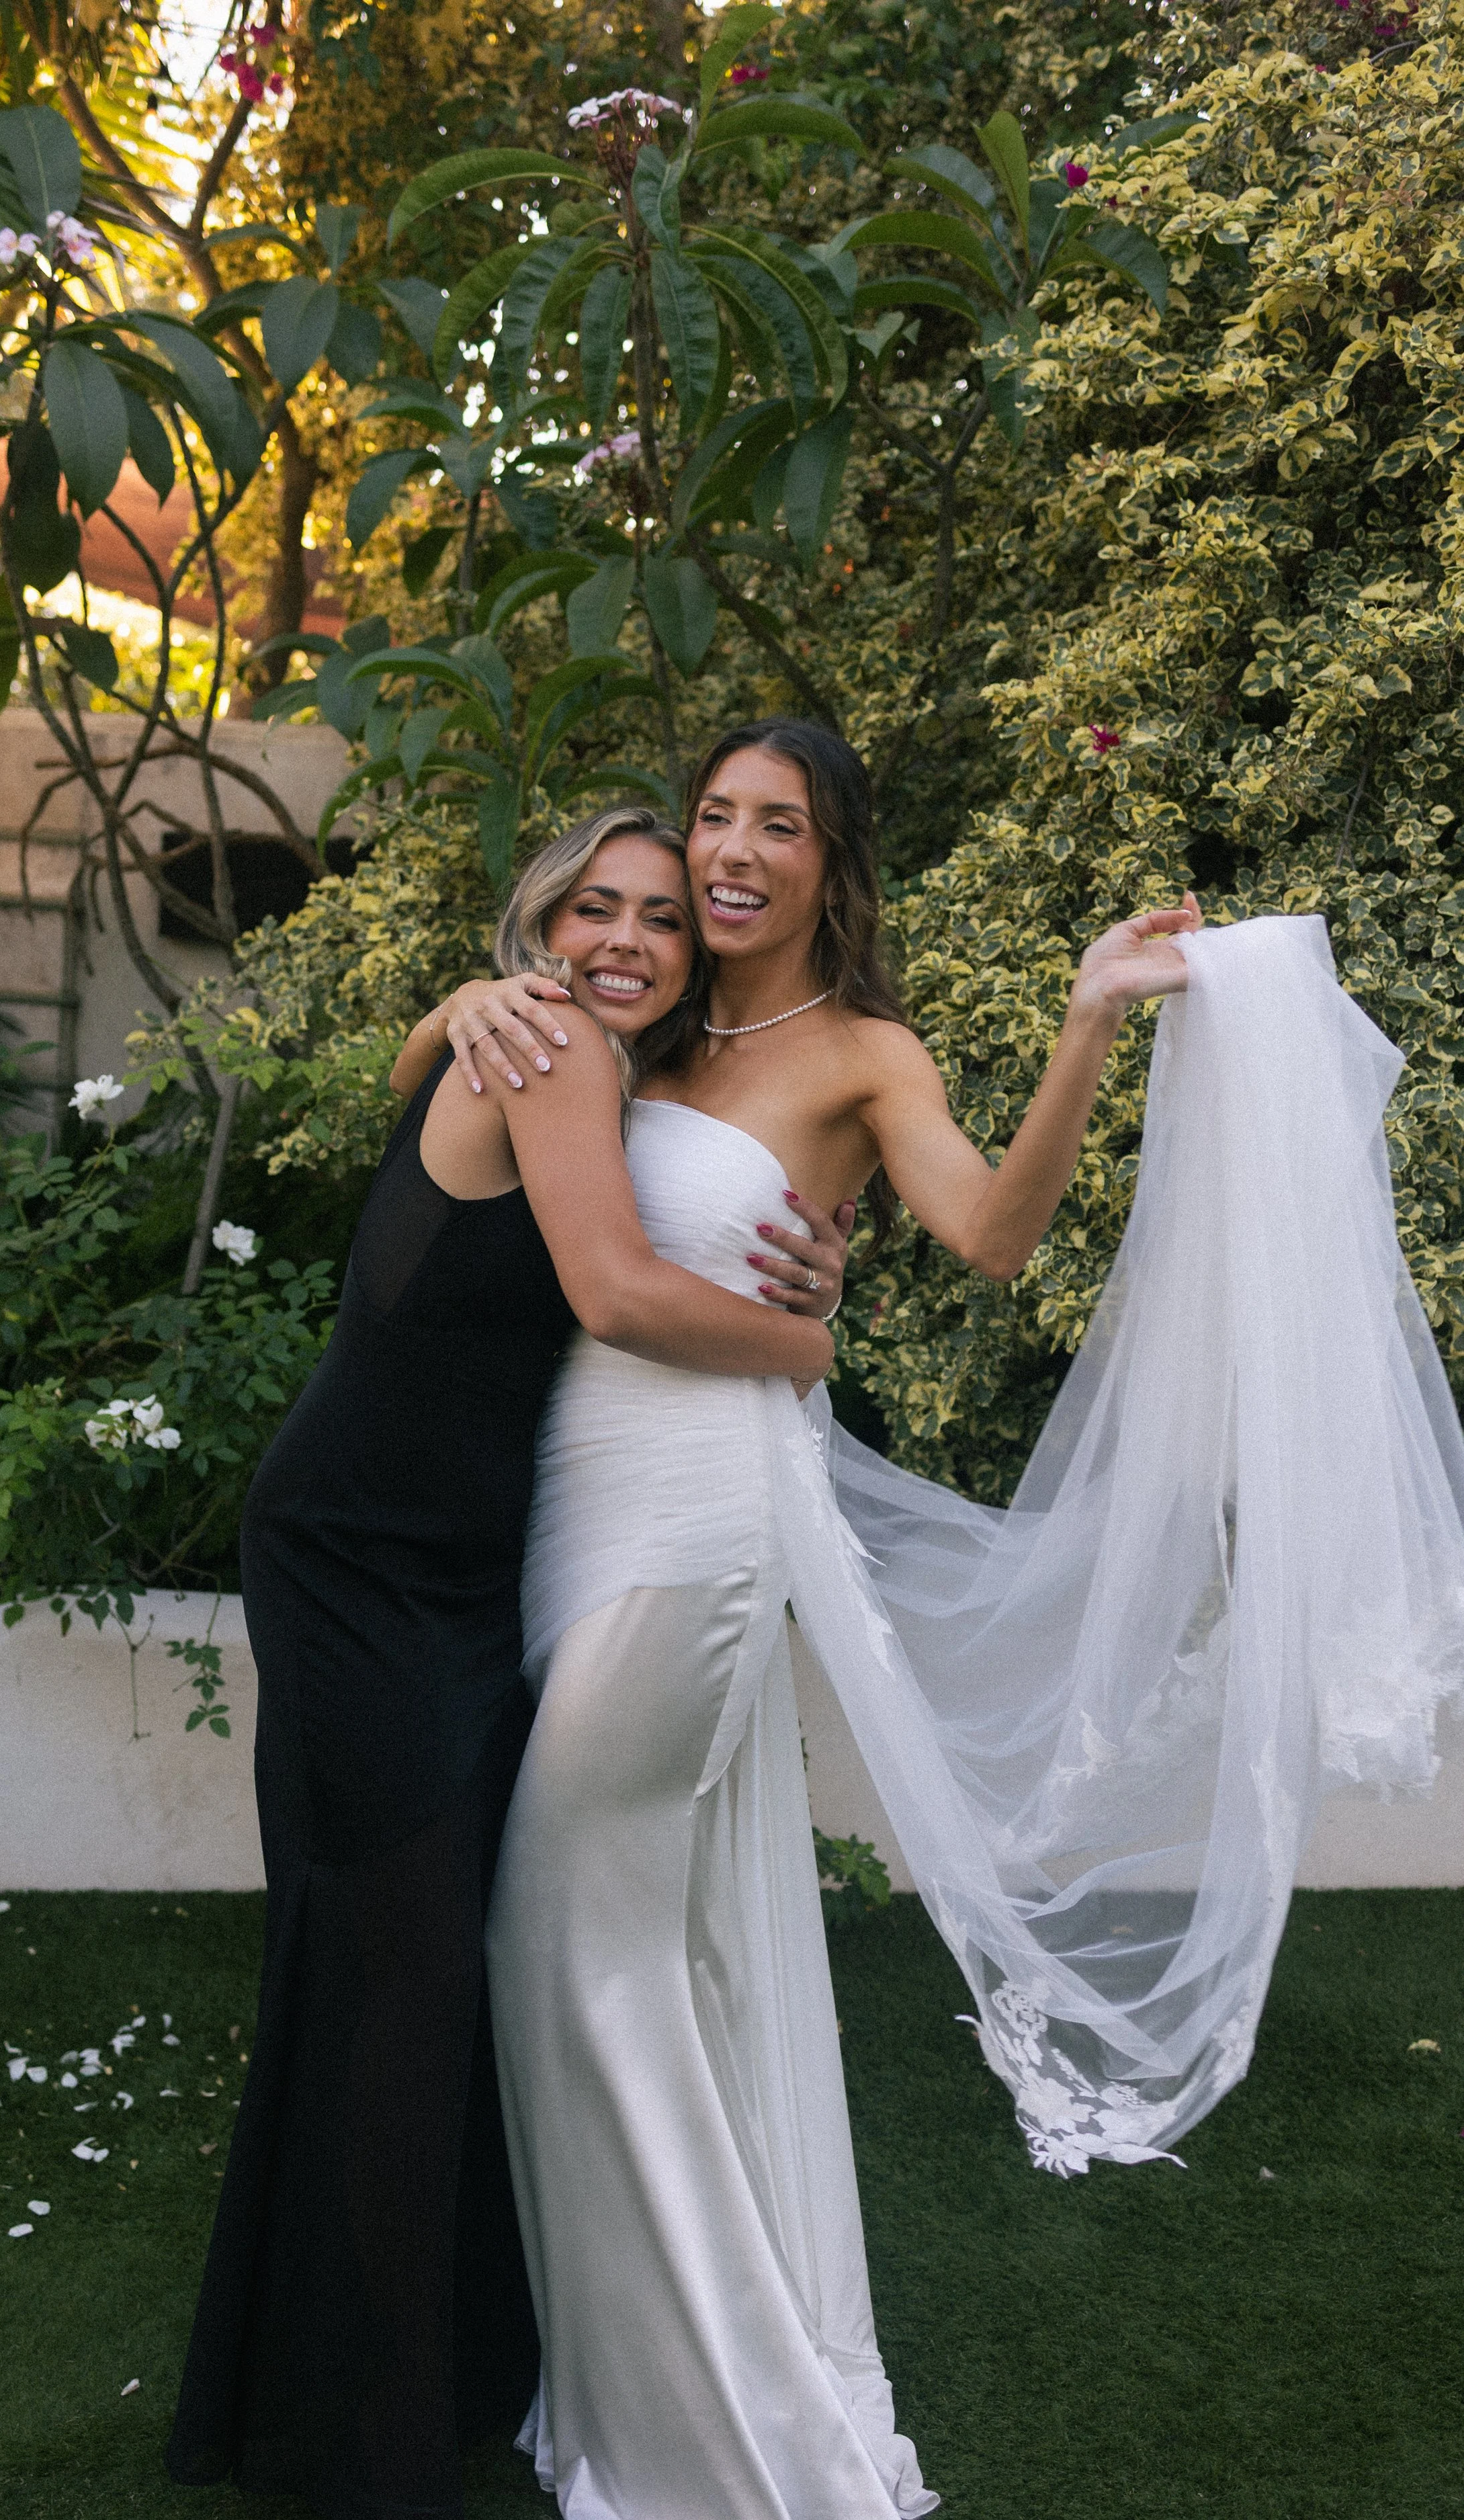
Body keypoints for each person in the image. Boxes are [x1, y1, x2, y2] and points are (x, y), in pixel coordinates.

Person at [394, 721, 1205, 2519]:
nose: (737, 851)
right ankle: (618, 2387)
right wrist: (468, 995)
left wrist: (1084, 1020)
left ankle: (721, 2433)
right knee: (630, 1959)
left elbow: (991, 1234)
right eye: (715, 816)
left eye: (782, 824)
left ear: (834, 860)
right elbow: (458, 1118)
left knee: (568, 1944)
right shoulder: (634, 1016)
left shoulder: (861, 1050)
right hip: (561, 1502)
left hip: (697, 1521)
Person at [164, 803, 851, 2520]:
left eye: (662, 921)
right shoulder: (550, 1048)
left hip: (464, 1578)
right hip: (356, 1565)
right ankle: (364, 2461)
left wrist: (453, 1009)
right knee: (400, 1987)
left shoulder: (566, 1055)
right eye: (592, 911)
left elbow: (541, 1171)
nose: (626, 940)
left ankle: (418, 2379)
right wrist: (807, 1343)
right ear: (537, 930)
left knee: (405, 1974)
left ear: (697, 956)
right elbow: (615, 1297)